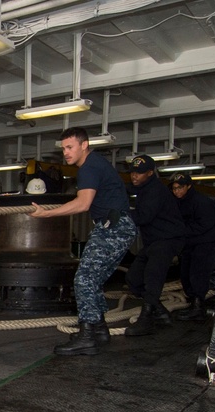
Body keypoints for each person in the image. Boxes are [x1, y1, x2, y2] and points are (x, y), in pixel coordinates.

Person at [30, 127, 136, 355]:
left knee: (84, 279)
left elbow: (82, 204)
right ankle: (98, 330)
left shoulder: (88, 167)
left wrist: (45, 214)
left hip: (113, 228)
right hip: (117, 226)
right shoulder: (96, 163)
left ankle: (88, 336)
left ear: (84, 145)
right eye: (64, 148)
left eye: (70, 147)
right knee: (92, 279)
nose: (66, 153)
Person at [123, 155, 186, 336]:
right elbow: (129, 188)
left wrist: (121, 212)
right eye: (133, 172)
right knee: (134, 279)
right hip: (153, 241)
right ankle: (160, 312)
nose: (135, 176)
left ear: (150, 173)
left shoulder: (155, 191)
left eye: (140, 173)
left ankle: (146, 320)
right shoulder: (143, 187)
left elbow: (143, 217)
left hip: (168, 239)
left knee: (152, 278)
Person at [170, 173, 215, 321]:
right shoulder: (179, 201)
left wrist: (181, 231)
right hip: (190, 242)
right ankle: (194, 302)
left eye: (180, 188)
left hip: (205, 242)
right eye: (174, 188)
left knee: (197, 273)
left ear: (188, 186)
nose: (177, 191)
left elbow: (205, 224)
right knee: (186, 273)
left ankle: (198, 306)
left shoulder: (201, 202)